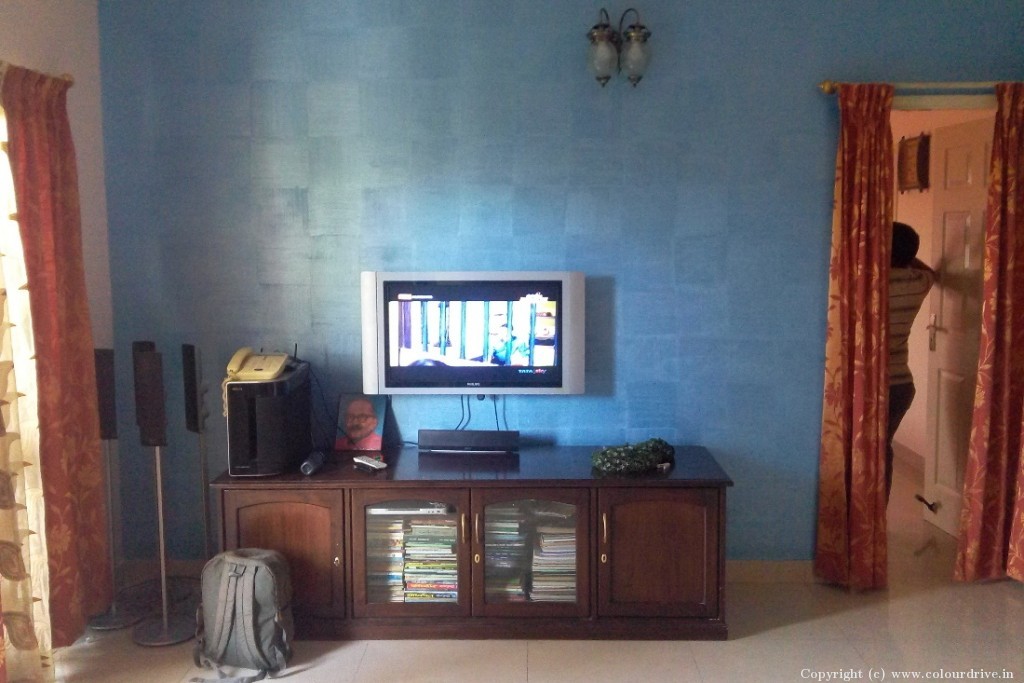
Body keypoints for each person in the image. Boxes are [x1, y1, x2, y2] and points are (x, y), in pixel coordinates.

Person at [886, 221, 936, 502]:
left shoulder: (869, 282)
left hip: (871, 385)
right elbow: (931, 272)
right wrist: (906, 257)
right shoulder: (918, 282)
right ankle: (874, 516)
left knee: (860, 452)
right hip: (901, 386)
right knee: (882, 450)